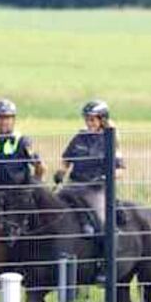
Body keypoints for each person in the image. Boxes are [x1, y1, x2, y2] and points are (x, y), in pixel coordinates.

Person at [0, 99, 45, 241]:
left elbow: (40, 167)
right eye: (0, 118)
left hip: (18, 193)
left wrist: (35, 184)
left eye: (7, 118)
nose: (3, 122)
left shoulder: (22, 141)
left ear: (13, 120)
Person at [53, 100, 123, 234]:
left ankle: (108, 249)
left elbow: (120, 170)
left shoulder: (110, 139)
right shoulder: (80, 137)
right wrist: (61, 172)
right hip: (74, 185)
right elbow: (67, 160)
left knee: (102, 222)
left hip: (96, 189)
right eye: (87, 120)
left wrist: (105, 177)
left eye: (92, 120)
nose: (89, 123)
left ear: (102, 120)